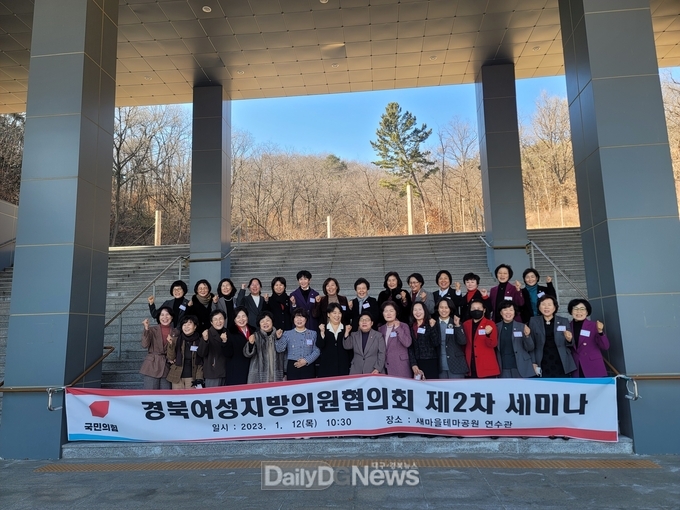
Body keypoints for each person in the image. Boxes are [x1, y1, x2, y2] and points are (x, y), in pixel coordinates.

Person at [526, 295, 577, 378]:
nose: (546, 307)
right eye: (543, 304)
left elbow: (571, 343)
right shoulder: (534, 321)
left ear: (554, 307)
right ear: (539, 307)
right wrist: (533, 362)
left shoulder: (563, 321)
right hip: (542, 359)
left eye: (549, 304)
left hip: (561, 359)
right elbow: (532, 344)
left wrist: (569, 339)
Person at [568, 298, 610, 377]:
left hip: (593, 365)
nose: (579, 311)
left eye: (582, 309)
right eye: (576, 309)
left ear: (587, 312)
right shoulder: (567, 326)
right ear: (571, 311)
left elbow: (605, 346)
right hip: (576, 366)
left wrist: (600, 332)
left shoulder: (594, 326)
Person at [276, 308, 320, 380]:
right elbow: (279, 349)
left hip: (308, 365)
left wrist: (306, 360)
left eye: (302, 317)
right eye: (296, 317)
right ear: (293, 319)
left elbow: (317, 351)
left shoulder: (313, 333)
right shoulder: (287, 333)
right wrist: (278, 338)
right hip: (293, 366)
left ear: (306, 319)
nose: (299, 319)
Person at [140, 306, 177, 389]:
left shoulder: (176, 332)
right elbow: (144, 345)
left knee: (165, 394)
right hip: (152, 366)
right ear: (158, 317)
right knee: (151, 394)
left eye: (167, 315)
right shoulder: (152, 330)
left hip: (166, 367)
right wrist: (146, 329)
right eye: (162, 315)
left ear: (172, 317)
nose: (165, 317)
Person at [496, 301, 536, 378]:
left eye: (511, 310)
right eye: (505, 310)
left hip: (521, 365)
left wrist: (527, 336)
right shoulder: (496, 327)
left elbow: (530, 348)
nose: (508, 312)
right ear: (501, 312)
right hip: (503, 366)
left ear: (514, 312)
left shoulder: (522, 327)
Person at [244, 311, 286, 384]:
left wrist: (279, 338)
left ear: (272, 322)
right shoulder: (256, 336)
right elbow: (247, 354)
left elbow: (283, 353)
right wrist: (251, 344)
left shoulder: (278, 334)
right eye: (262, 321)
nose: (265, 323)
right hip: (258, 377)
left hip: (277, 376)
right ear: (259, 324)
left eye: (267, 320)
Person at [463, 298, 500, 378]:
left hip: (486, 366)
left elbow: (493, 344)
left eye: (479, 308)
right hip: (470, 365)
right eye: (473, 308)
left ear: (484, 310)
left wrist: (488, 335)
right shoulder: (466, 324)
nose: (476, 310)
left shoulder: (490, 324)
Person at [166, 315, 203, 389]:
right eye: (184, 324)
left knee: (191, 396)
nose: (186, 327)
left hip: (192, 377)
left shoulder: (200, 342)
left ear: (195, 327)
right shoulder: (176, 340)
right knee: (177, 396)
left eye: (189, 324)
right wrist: (171, 344)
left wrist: (199, 378)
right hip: (177, 377)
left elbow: (201, 362)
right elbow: (171, 358)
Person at [433, 298, 468, 379]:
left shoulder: (456, 323)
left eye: (446, 307)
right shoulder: (433, 324)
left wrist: (457, 326)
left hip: (456, 364)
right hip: (440, 365)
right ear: (437, 309)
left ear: (450, 309)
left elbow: (462, 341)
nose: (443, 310)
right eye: (441, 307)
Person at [316, 303, 353, 377]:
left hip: (343, 367)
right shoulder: (323, 328)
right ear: (328, 314)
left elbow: (350, 349)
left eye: (339, 313)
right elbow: (320, 345)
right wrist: (322, 333)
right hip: (326, 367)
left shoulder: (347, 328)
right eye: (334, 313)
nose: (337, 315)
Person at [379, 301, 412, 378]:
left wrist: (398, 328)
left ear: (396, 312)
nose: (388, 313)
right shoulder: (381, 329)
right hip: (386, 367)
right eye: (386, 311)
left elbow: (407, 343)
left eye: (391, 311)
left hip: (401, 365)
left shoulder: (403, 326)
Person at [197, 310, 228, 387]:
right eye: (215, 319)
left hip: (226, 372)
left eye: (221, 318)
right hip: (212, 373)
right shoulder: (207, 334)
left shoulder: (228, 332)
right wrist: (205, 340)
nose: (218, 322)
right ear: (211, 322)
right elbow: (201, 353)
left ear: (224, 320)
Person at [408, 302, 438, 380]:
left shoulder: (431, 323)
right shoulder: (411, 326)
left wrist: (432, 328)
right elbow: (410, 347)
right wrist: (413, 364)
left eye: (420, 309)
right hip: (417, 362)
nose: (417, 312)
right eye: (415, 310)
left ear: (424, 311)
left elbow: (436, 343)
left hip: (430, 361)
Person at [224, 306, 252, 385]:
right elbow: (227, 354)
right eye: (238, 317)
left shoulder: (253, 331)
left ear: (247, 317)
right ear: (234, 320)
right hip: (235, 371)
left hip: (251, 370)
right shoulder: (229, 332)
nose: (241, 319)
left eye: (243, 316)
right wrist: (225, 342)